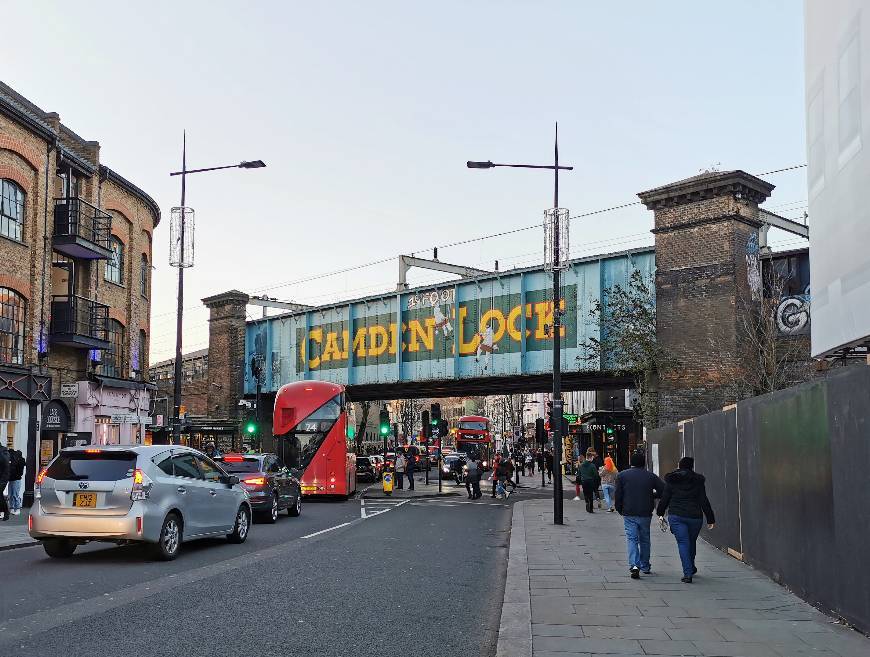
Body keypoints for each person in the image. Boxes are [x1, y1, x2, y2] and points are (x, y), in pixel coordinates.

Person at [657, 456, 716, 583]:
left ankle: (688, 572)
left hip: (677, 515)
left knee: (683, 543)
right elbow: (703, 500)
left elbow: (665, 498)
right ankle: (691, 566)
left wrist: (660, 513)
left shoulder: (672, 480)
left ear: (680, 465)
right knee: (691, 541)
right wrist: (710, 518)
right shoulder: (698, 481)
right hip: (695, 517)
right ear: (691, 466)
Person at [615, 451, 666, 580]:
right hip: (645, 512)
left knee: (632, 538)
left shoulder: (622, 476)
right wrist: (652, 496)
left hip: (629, 511)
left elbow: (618, 495)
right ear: (644, 463)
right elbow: (663, 490)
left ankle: (634, 565)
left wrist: (619, 508)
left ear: (631, 463)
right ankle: (645, 566)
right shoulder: (650, 476)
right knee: (645, 539)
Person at [7, 448, 25, 516]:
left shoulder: (18, 461)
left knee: (14, 495)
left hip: (16, 480)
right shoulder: (15, 460)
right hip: (13, 479)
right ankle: (12, 508)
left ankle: (17, 508)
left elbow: (18, 471)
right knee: (11, 494)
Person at [0, 443, 10, 522]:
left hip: (2, 478)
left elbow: (5, 465)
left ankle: (6, 512)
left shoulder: (3, 452)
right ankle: (5, 512)